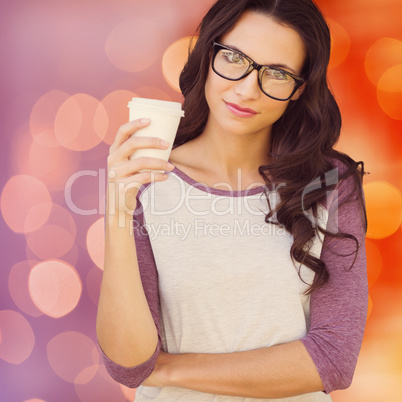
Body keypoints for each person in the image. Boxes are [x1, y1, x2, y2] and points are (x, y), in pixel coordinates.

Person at [96, 0, 368, 400]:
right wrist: (118, 212)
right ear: (208, 55)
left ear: (299, 89)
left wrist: (166, 369)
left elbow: (333, 359)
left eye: (276, 73)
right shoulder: (148, 179)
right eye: (235, 58)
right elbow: (129, 362)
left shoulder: (329, 184)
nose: (246, 89)